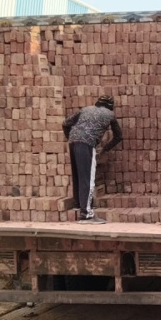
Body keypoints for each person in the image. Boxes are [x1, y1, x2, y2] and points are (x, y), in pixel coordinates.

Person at [62, 95, 123, 224]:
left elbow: (65, 123)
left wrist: (70, 138)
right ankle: (86, 215)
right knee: (88, 178)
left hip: (73, 142)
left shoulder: (85, 109)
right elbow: (118, 136)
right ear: (111, 106)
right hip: (87, 143)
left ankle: (79, 204)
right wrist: (105, 149)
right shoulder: (110, 114)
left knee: (78, 175)